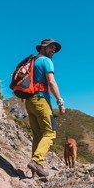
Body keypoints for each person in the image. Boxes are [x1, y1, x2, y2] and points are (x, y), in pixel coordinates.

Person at [26, 38, 65, 178]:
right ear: (43, 47)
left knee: (37, 135)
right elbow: (51, 82)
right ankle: (36, 161)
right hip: (41, 100)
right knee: (49, 133)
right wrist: (60, 102)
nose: (53, 50)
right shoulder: (46, 61)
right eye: (51, 47)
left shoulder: (31, 62)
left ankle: (35, 172)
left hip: (29, 102)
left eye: (55, 48)